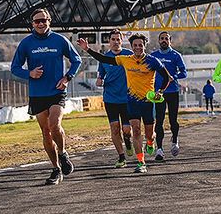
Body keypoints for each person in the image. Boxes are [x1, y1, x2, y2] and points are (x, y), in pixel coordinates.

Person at [77, 32, 173, 174]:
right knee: (136, 131)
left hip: (147, 103)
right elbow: (104, 59)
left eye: (140, 45)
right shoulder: (125, 60)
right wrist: (87, 49)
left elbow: (167, 78)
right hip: (132, 102)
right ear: (132, 47)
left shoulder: (152, 61)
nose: (138, 48)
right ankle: (141, 162)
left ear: (144, 46)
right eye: (135, 45)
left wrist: (160, 91)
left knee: (149, 135)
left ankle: (151, 142)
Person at [10, 8, 83, 185]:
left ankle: (63, 153)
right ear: (32, 24)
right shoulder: (26, 43)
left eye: (43, 20)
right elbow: (14, 68)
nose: (41, 23)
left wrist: (67, 78)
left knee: (54, 124)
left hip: (57, 91)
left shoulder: (59, 40)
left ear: (49, 21)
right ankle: (56, 169)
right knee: (45, 132)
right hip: (37, 94)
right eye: (37, 21)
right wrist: (30, 73)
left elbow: (77, 60)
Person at [96, 29, 134, 168]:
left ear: (122, 40)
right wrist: (99, 80)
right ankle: (121, 157)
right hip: (110, 98)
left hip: (127, 98)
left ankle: (128, 140)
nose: (116, 42)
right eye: (113, 39)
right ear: (109, 41)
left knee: (126, 129)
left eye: (118, 39)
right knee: (114, 128)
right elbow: (101, 75)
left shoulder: (129, 55)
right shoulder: (104, 58)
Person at [150, 31, 187, 161]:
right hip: (159, 92)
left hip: (172, 91)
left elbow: (184, 73)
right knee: (159, 120)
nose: (164, 40)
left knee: (173, 120)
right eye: (162, 38)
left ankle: (175, 141)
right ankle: (159, 149)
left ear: (170, 41)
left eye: (166, 38)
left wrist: (174, 77)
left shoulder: (176, 55)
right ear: (158, 41)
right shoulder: (153, 56)